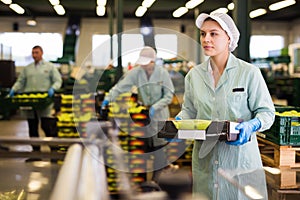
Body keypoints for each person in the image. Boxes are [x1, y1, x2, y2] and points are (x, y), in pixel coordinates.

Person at [175, 13, 275, 199]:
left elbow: (267, 113)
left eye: (214, 34)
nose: (206, 39)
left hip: (240, 162)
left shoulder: (249, 73)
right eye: (203, 34)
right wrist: (180, 123)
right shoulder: (194, 76)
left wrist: (251, 125)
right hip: (206, 160)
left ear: (229, 38)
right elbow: (189, 110)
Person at [101, 46, 175, 182]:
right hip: (143, 117)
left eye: (146, 62)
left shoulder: (162, 73)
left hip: (159, 115)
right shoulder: (136, 72)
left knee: (159, 150)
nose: (143, 65)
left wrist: (155, 107)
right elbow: (121, 87)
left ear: (152, 61)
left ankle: (157, 182)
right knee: (144, 149)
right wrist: (108, 97)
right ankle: (143, 183)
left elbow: (169, 95)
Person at [9, 45, 62, 159]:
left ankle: (54, 152)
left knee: (47, 127)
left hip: (45, 102)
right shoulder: (27, 68)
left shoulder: (50, 67)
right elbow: (21, 81)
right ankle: (36, 153)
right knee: (32, 128)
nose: (34, 55)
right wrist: (14, 89)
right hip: (31, 102)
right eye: (33, 53)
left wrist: (53, 88)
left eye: (36, 53)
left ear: (41, 53)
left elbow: (58, 80)